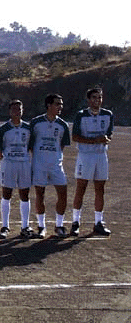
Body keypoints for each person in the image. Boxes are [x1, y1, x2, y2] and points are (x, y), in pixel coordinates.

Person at [70, 87, 113, 236]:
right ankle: (75, 222)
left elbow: (109, 134)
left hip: (101, 155)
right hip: (85, 155)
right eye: (94, 97)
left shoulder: (108, 114)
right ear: (88, 100)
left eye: (100, 98)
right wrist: (94, 140)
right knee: (81, 188)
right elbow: (75, 137)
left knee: (100, 189)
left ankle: (98, 223)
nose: (97, 100)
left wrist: (106, 139)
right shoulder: (81, 115)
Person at [30, 93, 71, 238]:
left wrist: (55, 157)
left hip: (56, 165)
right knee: (40, 194)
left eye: (61, 104)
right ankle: (41, 226)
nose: (60, 107)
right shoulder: (35, 123)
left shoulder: (62, 125)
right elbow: (30, 144)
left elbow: (62, 145)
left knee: (63, 192)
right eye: (57, 104)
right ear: (49, 105)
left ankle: (59, 225)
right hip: (39, 164)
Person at [0, 100, 34, 239]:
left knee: (25, 194)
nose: (16, 111)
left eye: (19, 109)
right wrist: (1, 153)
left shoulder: (29, 128)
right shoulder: (3, 129)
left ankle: (25, 226)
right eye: (14, 109)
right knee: (6, 193)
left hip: (24, 163)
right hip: (9, 163)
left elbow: (31, 146)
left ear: (22, 110)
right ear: (9, 111)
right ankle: (5, 226)